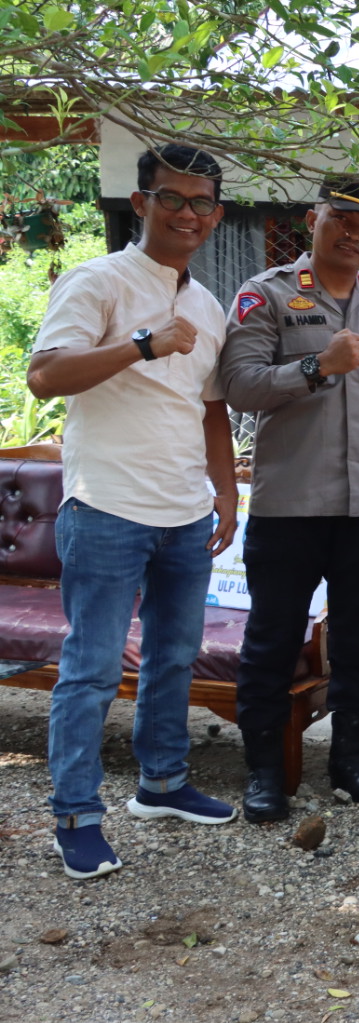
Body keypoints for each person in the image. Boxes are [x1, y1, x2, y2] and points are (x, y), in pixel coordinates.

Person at [27, 143, 240, 878]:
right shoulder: (98, 282)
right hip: (107, 507)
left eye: (200, 202)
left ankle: (163, 782)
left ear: (216, 217)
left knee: (173, 658)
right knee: (89, 670)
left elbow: (211, 409)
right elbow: (45, 376)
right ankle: (77, 816)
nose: (187, 213)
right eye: (172, 198)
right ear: (140, 202)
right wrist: (141, 345)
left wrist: (226, 490)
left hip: (183, 512)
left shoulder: (208, 306)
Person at [220, 181, 359, 822]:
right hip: (289, 507)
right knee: (272, 639)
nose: (353, 235)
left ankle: (348, 759)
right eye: (341, 220)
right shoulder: (268, 294)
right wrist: (317, 367)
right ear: (313, 221)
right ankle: (264, 771)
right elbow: (239, 386)